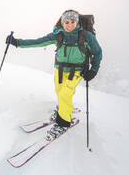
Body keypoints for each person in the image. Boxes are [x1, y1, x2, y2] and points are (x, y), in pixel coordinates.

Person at [6, 9, 102, 140]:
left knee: (65, 93)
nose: (69, 25)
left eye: (73, 22)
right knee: (60, 91)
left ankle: (63, 123)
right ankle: (63, 109)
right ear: (62, 23)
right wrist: (17, 42)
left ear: (77, 22)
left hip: (77, 70)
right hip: (60, 69)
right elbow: (37, 42)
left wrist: (94, 70)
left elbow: (97, 52)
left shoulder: (86, 36)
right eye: (66, 22)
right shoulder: (58, 35)